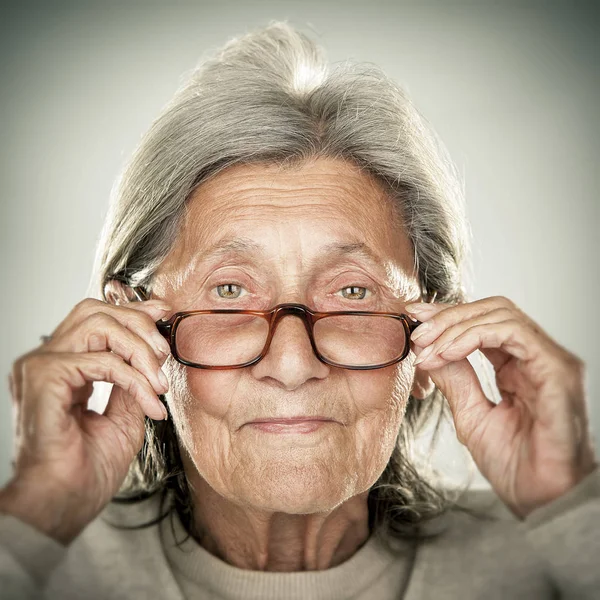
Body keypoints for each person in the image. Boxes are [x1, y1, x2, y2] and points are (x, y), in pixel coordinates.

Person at [1, 21, 598, 600]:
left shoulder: (553, 561)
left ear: (433, 340)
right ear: (131, 332)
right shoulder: (35, 559)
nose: (292, 365)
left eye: (353, 293)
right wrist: (40, 508)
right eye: (230, 291)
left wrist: (568, 505)